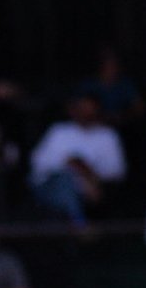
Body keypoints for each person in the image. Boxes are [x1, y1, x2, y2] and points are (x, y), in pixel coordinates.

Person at [29, 94, 128, 225]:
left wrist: (86, 170)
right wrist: (71, 164)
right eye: (82, 109)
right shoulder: (59, 131)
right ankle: (80, 224)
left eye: (90, 109)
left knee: (76, 184)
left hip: (91, 188)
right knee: (65, 180)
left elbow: (117, 170)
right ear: (74, 110)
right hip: (52, 187)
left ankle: (79, 223)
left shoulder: (107, 135)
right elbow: (38, 162)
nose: (86, 113)